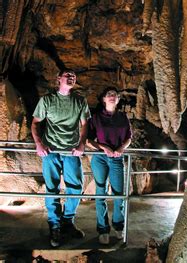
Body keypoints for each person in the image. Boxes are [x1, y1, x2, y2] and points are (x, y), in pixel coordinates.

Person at [31, 69, 90, 248]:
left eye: (73, 75)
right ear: (59, 79)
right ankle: (54, 224)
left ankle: (67, 220)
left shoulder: (80, 100)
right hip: (51, 151)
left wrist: (82, 144)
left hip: (71, 150)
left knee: (76, 187)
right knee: (52, 187)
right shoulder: (48, 100)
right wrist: (39, 143)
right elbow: (35, 123)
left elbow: (85, 124)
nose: (71, 77)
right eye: (67, 75)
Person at [87, 87, 132, 245]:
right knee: (101, 192)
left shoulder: (123, 117)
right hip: (100, 158)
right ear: (103, 99)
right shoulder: (96, 117)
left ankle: (118, 225)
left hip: (116, 158)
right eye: (109, 95)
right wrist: (103, 147)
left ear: (118, 100)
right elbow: (88, 140)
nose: (112, 97)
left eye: (115, 95)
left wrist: (121, 148)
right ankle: (103, 229)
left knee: (119, 193)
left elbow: (128, 138)